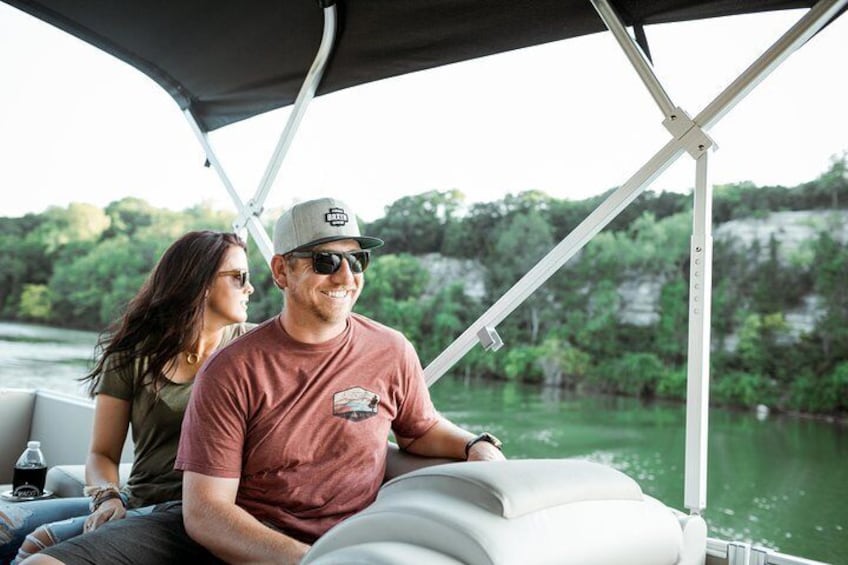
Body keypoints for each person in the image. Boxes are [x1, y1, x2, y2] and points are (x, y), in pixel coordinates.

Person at [27, 197, 505, 565]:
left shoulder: (391, 350)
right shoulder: (232, 369)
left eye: (356, 260)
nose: (345, 275)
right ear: (282, 270)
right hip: (227, 531)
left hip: (349, 540)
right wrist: (308, 560)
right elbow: (207, 513)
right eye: (324, 261)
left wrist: (473, 444)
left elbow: (420, 428)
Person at [1, 230, 254, 564]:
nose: (250, 288)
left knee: (38, 544)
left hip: (195, 511)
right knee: (3, 524)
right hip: (136, 500)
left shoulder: (254, 352)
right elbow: (102, 453)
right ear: (199, 281)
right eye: (239, 277)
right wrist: (107, 497)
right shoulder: (133, 353)